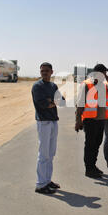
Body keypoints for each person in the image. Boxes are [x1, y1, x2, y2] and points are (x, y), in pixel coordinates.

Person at [32, 62, 65, 194]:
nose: (44, 73)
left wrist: (51, 101)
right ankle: (40, 184)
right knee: (43, 153)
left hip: (53, 121)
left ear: (52, 72)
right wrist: (52, 102)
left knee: (51, 153)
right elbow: (43, 104)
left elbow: (61, 101)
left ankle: (47, 180)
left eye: (46, 71)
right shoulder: (37, 86)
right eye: (42, 71)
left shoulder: (53, 86)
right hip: (43, 122)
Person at [75, 64, 108, 178]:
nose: (105, 75)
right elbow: (80, 103)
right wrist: (78, 120)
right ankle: (89, 168)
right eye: (104, 73)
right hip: (90, 119)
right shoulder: (86, 84)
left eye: (105, 74)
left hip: (101, 119)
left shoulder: (104, 85)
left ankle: (93, 165)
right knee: (90, 144)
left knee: (97, 143)